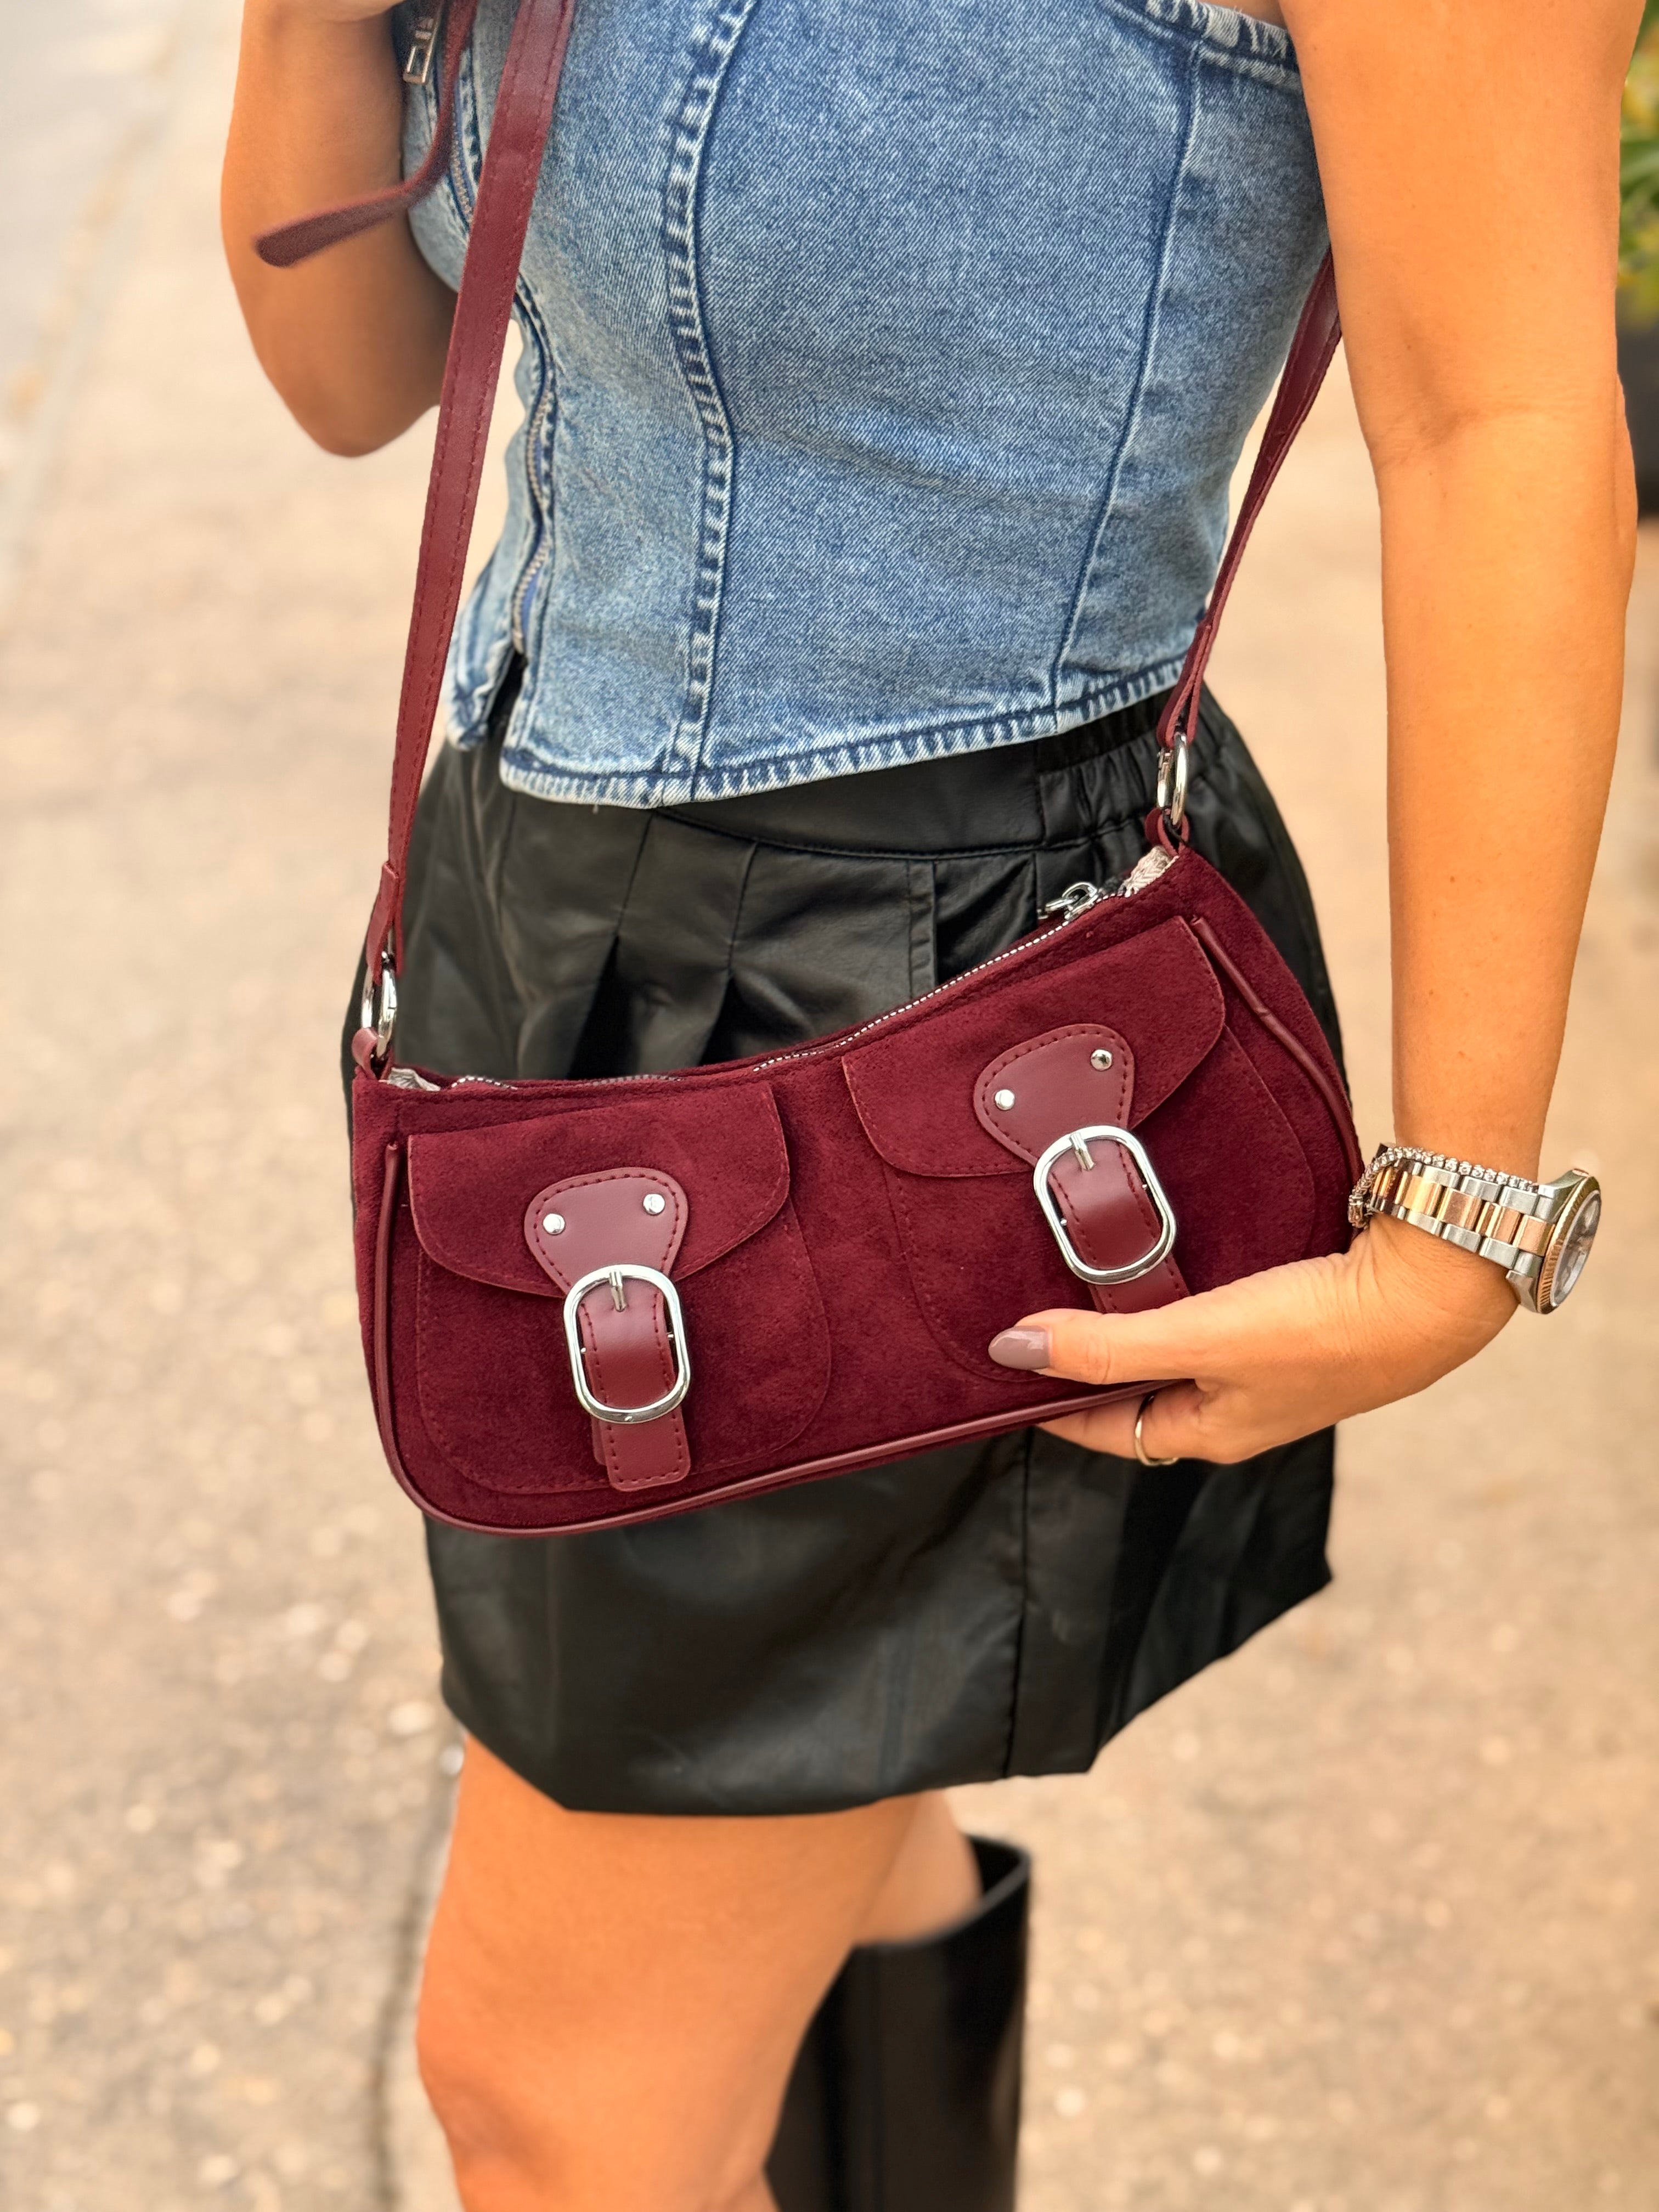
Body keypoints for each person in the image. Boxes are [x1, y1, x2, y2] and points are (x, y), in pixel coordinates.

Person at [221, 1, 1635, 2205]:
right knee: (810, 1835)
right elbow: (349, 377)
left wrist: (1463, 1214)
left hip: (933, 1049)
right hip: (546, 943)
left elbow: (1502, 419)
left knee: (555, 2104)